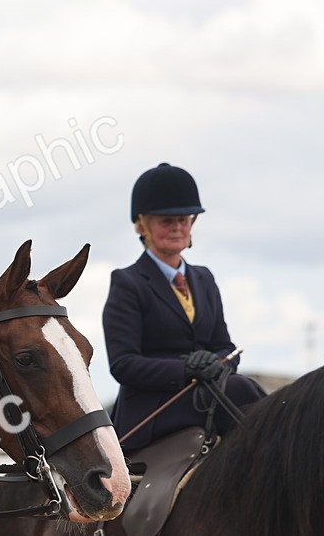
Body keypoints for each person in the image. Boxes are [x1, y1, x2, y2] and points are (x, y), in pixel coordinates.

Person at [103, 163, 265, 451]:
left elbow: (225, 346)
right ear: (143, 225)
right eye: (166, 221)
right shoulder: (127, 282)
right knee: (240, 389)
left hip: (209, 392)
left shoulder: (204, 279)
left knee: (253, 390)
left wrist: (216, 362)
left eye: (184, 219)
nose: (177, 227)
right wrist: (187, 368)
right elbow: (123, 364)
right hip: (154, 407)